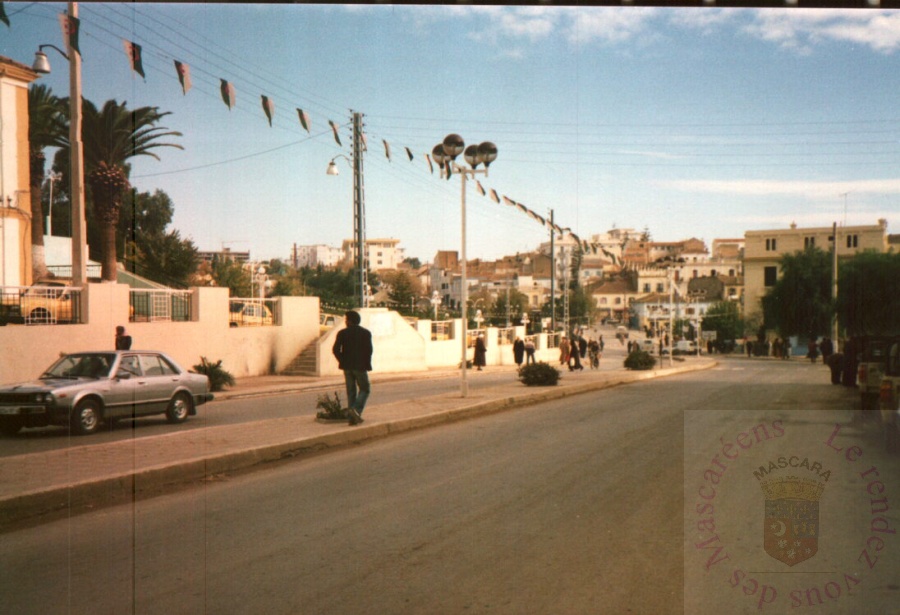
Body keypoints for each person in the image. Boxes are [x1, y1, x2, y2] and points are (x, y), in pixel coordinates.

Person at [332, 310, 373, 426]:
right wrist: (367, 364)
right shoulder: (366, 333)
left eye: (346, 320)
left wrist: (342, 360)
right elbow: (369, 351)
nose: (345, 322)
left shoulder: (342, 333)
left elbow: (335, 350)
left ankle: (352, 417)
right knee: (365, 389)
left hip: (347, 367)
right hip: (360, 367)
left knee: (351, 391)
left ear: (350, 321)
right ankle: (355, 410)